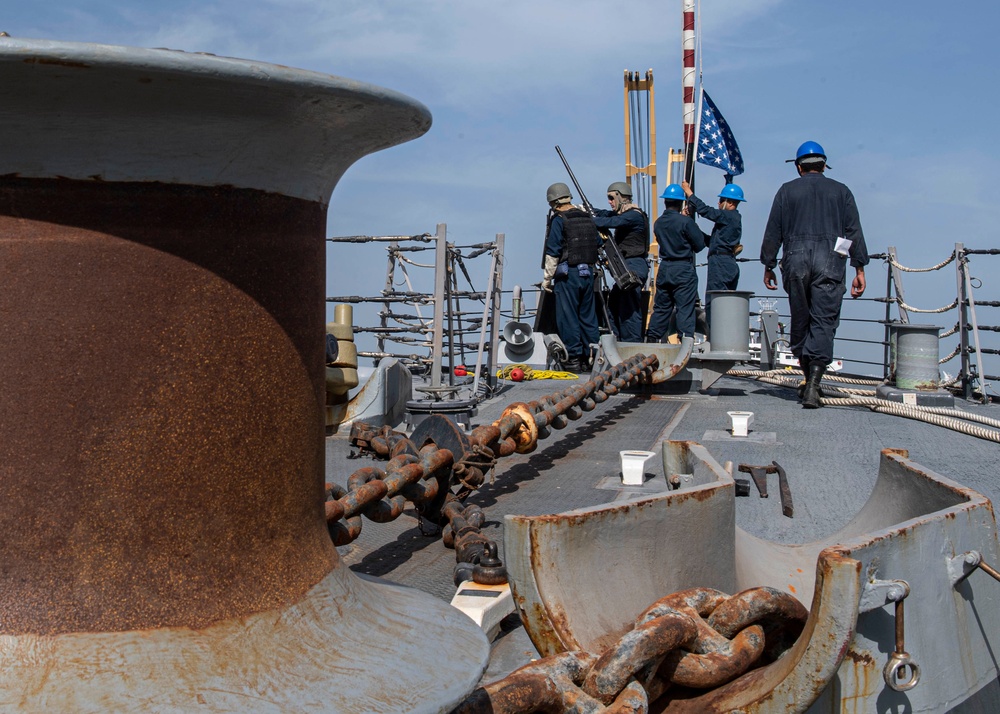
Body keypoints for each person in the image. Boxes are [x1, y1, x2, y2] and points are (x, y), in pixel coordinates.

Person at [760, 141, 869, 408]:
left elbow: (774, 230)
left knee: (801, 319)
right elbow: (853, 231)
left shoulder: (786, 192)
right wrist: (859, 268)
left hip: (795, 261)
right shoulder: (841, 192)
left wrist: (768, 264)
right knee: (824, 321)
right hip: (831, 261)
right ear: (823, 166)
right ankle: (814, 385)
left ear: (799, 167)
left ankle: (807, 379)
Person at [541, 182, 600, 373]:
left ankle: (573, 359)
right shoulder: (587, 218)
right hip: (588, 274)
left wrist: (547, 279)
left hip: (568, 275)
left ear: (553, 202)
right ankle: (591, 356)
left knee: (568, 317)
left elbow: (553, 251)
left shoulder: (560, 220)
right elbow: (598, 242)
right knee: (588, 317)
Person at [644, 183, 706, 343]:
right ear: (681, 203)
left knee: (661, 307)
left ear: (665, 202)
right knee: (685, 308)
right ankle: (684, 342)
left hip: (665, 268)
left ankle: (651, 339)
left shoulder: (658, 223)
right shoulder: (685, 223)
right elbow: (699, 245)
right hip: (683, 268)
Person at [681, 180, 745, 327]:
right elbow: (712, 242)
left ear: (730, 202)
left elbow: (705, 211)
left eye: (721, 200)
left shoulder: (729, 216)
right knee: (724, 303)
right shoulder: (731, 221)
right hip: (727, 262)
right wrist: (692, 226)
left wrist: (689, 193)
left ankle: (714, 337)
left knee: (714, 302)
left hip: (720, 264)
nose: (718, 203)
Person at [591, 181, 650, 342]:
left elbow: (609, 222)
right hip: (627, 266)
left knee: (628, 309)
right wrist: (588, 211)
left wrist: (588, 219)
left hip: (634, 266)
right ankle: (617, 341)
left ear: (621, 197)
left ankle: (631, 344)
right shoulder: (624, 214)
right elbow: (604, 214)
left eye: (611, 198)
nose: (609, 202)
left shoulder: (633, 215)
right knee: (614, 305)